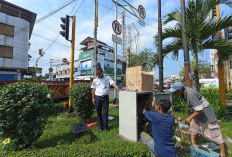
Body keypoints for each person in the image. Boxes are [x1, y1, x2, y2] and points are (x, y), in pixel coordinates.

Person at [169, 82, 226, 157]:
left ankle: (223, 153)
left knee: (214, 134)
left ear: (179, 90)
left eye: (175, 91)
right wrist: (189, 109)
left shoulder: (190, 94)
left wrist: (190, 117)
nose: (174, 93)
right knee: (193, 130)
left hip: (206, 114)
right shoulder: (183, 93)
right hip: (195, 113)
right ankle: (194, 148)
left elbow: (200, 110)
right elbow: (193, 105)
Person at [91, 63, 122, 133]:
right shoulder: (95, 80)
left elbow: (113, 83)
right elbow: (93, 89)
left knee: (105, 112)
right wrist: (93, 98)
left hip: (105, 98)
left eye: (100, 74)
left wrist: (118, 89)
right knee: (98, 112)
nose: (99, 75)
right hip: (98, 97)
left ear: (102, 72)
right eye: (98, 74)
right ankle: (100, 128)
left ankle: (105, 127)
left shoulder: (107, 77)